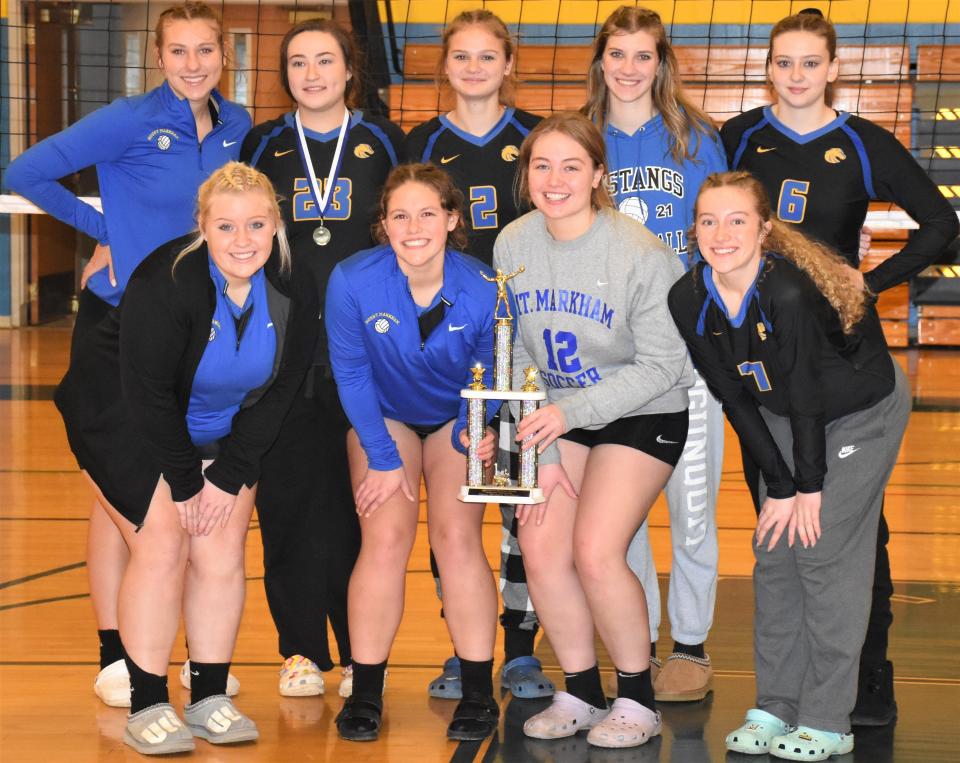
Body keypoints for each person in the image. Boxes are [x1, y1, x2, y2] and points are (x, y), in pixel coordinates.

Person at [4, 0, 251, 707]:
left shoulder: (235, 125)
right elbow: (25, 170)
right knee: (122, 494)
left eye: (206, 49)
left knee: (154, 494)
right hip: (120, 323)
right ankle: (117, 652)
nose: (194, 63)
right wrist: (100, 226)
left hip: (191, 333)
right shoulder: (129, 119)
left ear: (222, 56)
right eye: (179, 51)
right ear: (158, 55)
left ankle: (188, 656)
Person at [720, 8, 959, 725]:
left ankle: (870, 672)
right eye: (783, 62)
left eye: (809, 63)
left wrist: (871, 282)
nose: (796, 76)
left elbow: (943, 224)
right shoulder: (739, 138)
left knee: (855, 527)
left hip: (839, 361)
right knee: (779, 514)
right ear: (768, 69)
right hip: (760, 356)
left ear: (832, 69)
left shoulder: (861, 143)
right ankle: (782, 693)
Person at [53, 162, 318, 754]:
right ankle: (147, 702)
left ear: (276, 225)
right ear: (201, 226)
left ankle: (208, 697)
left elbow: (283, 385)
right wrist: (184, 483)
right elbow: (146, 395)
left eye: (256, 225)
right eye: (224, 227)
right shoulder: (168, 280)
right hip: (121, 414)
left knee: (223, 548)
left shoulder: (295, 281)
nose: (242, 241)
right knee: (164, 543)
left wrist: (226, 477)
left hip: (221, 421)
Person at [669, 170, 911, 761]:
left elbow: (808, 395)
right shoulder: (688, 297)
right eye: (708, 220)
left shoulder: (788, 293)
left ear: (764, 228)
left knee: (823, 551)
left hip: (859, 413)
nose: (720, 233)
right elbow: (733, 396)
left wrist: (806, 487)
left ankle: (829, 717)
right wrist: (777, 486)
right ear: (693, 227)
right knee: (775, 553)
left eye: (737, 220)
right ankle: (777, 705)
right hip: (781, 410)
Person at [494, 112, 693, 749]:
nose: (555, 180)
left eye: (571, 166)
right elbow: (518, 353)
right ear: (526, 175)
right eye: (541, 165)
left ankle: (637, 695)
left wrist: (567, 417)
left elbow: (668, 364)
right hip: (558, 413)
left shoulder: (639, 253)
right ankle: (580, 689)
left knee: (597, 549)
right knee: (539, 538)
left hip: (646, 407)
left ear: (598, 175)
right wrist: (543, 450)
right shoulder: (513, 244)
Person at [240, 18, 405, 698]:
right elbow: (234, 234)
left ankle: (356, 650)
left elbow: (409, 231)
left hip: (362, 353)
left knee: (354, 508)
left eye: (325, 61)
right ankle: (300, 650)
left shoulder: (383, 141)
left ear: (349, 71)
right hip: (283, 354)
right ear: (286, 75)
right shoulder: (264, 143)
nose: (312, 73)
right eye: (299, 62)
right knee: (286, 505)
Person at [404, 8, 551, 701]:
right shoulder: (423, 143)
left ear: (508, 63)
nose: (472, 69)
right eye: (460, 57)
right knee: (460, 506)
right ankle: (465, 649)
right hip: (455, 350)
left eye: (486, 57)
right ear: (445, 66)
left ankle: (521, 649)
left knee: (518, 504)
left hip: (523, 348)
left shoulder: (536, 140)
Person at [583, 4, 728, 702]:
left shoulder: (697, 139)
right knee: (623, 514)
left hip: (689, 350)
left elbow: (721, 241)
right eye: (619, 54)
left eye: (645, 55)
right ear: (601, 60)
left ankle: (691, 647)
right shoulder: (583, 138)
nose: (631, 68)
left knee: (691, 506)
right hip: (613, 355)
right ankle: (632, 643)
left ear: (661, 63)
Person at [326, 163, 501, 742]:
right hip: (386, 418)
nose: (413, 225)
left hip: (456, 419)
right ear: (383, 225)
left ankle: (478, 692)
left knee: (457, 538)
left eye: (428, 212)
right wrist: (381, 455)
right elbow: (350, 375)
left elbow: (491, 378)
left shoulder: (485, 287)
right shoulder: (352, 279)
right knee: (385, 536)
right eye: (399, 214)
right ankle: (366, 691)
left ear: (453, 219)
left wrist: (473, 434)